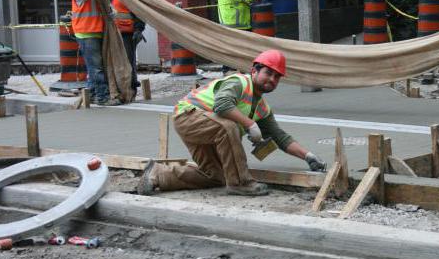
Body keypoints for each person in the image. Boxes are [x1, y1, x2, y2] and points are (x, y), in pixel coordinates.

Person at [137, 49, 327, 196]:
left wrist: (308, 156)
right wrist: (250, 125)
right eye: (268, 73)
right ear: (254, 71)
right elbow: (222, 105)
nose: (272, 79)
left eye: (277, 77)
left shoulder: (262, 108)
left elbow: (280, 138)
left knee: (215, 176)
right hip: (188, 117)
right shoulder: (239, 82)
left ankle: (157, 175)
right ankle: (241, 183)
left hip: (207, 129)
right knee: (228, 127)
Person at [71, 0, 120, 106]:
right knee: (96, 68)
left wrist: (111, 10)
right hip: (86, 32)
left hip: (97, 30)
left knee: (95, 67)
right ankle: (102, 98)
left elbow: (103, 3)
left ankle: (91, 95)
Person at [107, 0, 146, 97]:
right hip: (112, 33)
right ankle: (117, 90)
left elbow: (139, 11)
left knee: (128, 63)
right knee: (114, 63)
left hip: (127, 34)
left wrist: (139, 29)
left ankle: (130, 90)